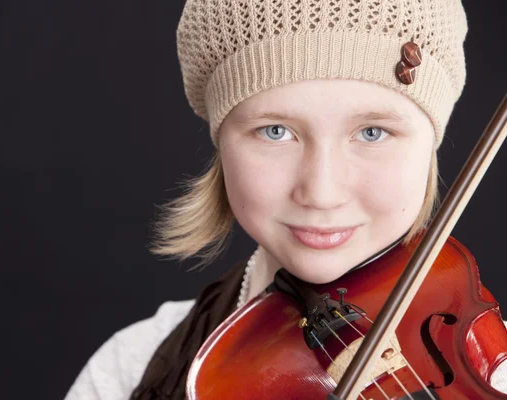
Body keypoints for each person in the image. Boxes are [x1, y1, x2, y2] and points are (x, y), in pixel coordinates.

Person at [65, 0, 507, 399]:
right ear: (222, 146)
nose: (321, 191)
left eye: (372, 132)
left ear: (430, 144)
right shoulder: (130, 370)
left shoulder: (494, 369)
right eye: (275, 131)